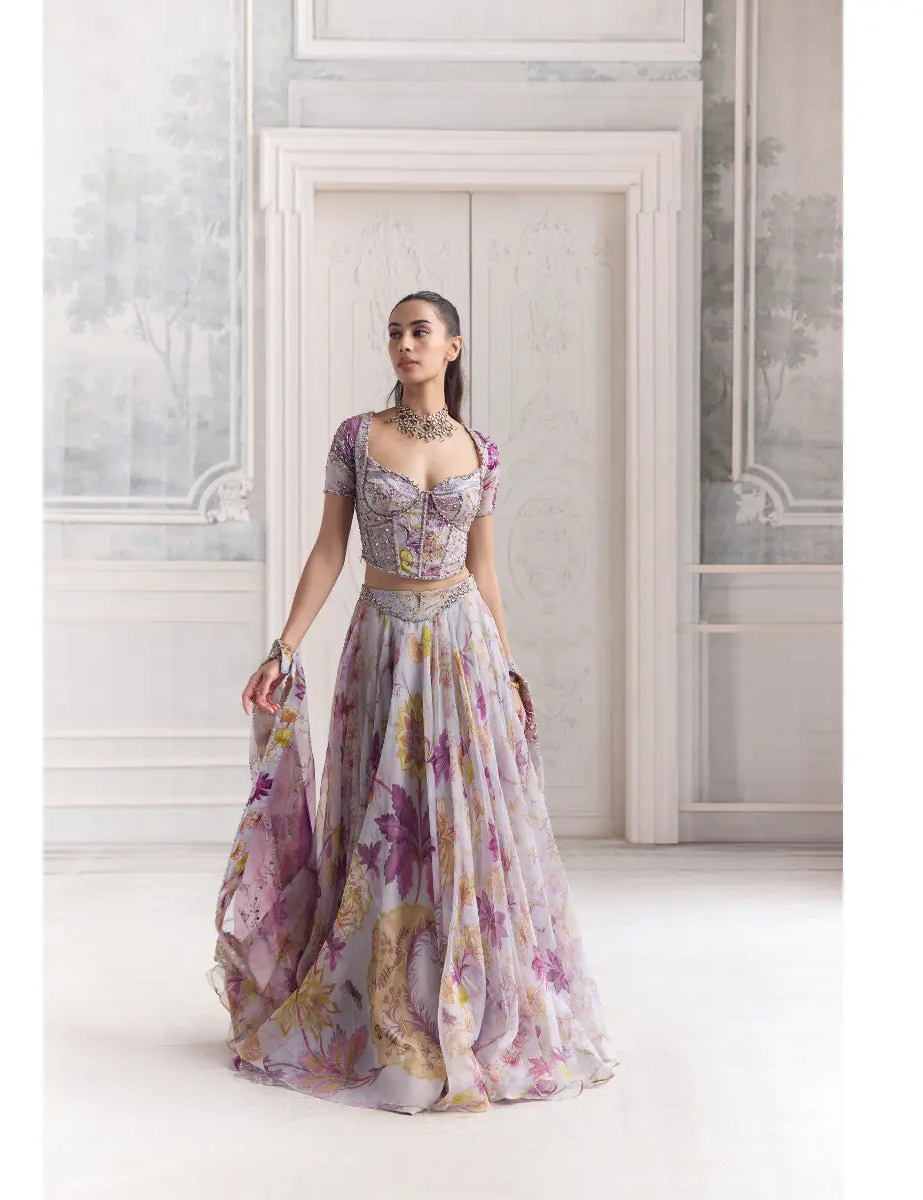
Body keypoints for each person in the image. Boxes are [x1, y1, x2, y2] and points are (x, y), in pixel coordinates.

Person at [208, 290, 619, 1114]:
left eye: (420, 331)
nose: (404, 343)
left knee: (463, 820)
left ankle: (458, 997)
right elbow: (329, 550)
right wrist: (285, 645)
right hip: (384, 643)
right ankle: (380, 1002)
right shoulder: (357, 438)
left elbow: (485, 569)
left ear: (452, 346)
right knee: (384, 821)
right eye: (394, 332)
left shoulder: (482, 450)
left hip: (463, 645)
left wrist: (507, 667)